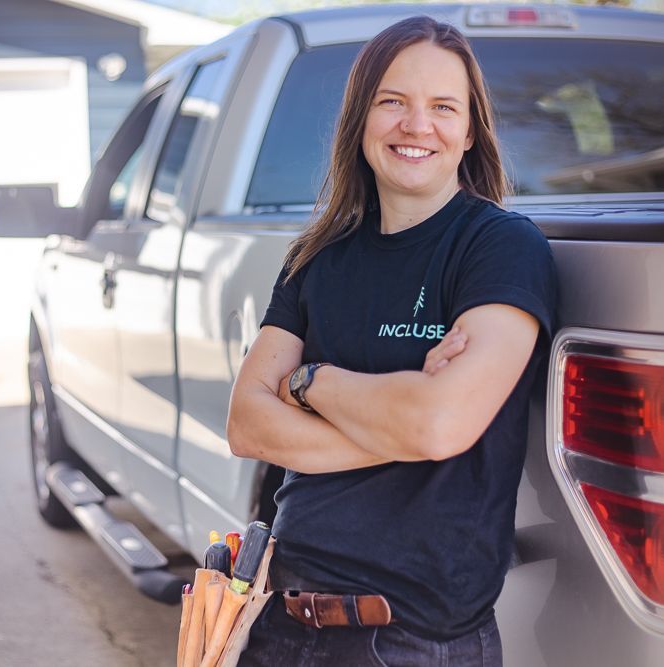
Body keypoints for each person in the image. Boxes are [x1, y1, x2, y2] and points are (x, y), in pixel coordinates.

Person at [226, 14, 557, 667]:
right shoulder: (314, 258)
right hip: (280, 623)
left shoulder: (499, 249)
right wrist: (397, 421)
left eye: (442, 107)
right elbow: (246, 423)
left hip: (410, 641)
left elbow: (437, 426)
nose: (416, 125)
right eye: (393, 103)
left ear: (469, 131)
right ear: (362, 120)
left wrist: (310, 382)